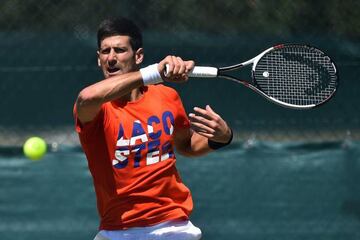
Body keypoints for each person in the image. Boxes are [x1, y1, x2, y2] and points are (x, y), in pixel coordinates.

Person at [73, 17, 233, 240]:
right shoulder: (95, 108)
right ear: (98, 59)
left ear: (138, 56)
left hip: (172, 226)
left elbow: (186, 145)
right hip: (117, 229)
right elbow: (86, 97)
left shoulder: (167, 97)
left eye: (119, 50)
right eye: (105, 51)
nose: (111, 58)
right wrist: (153, 73)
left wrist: (221, 138)